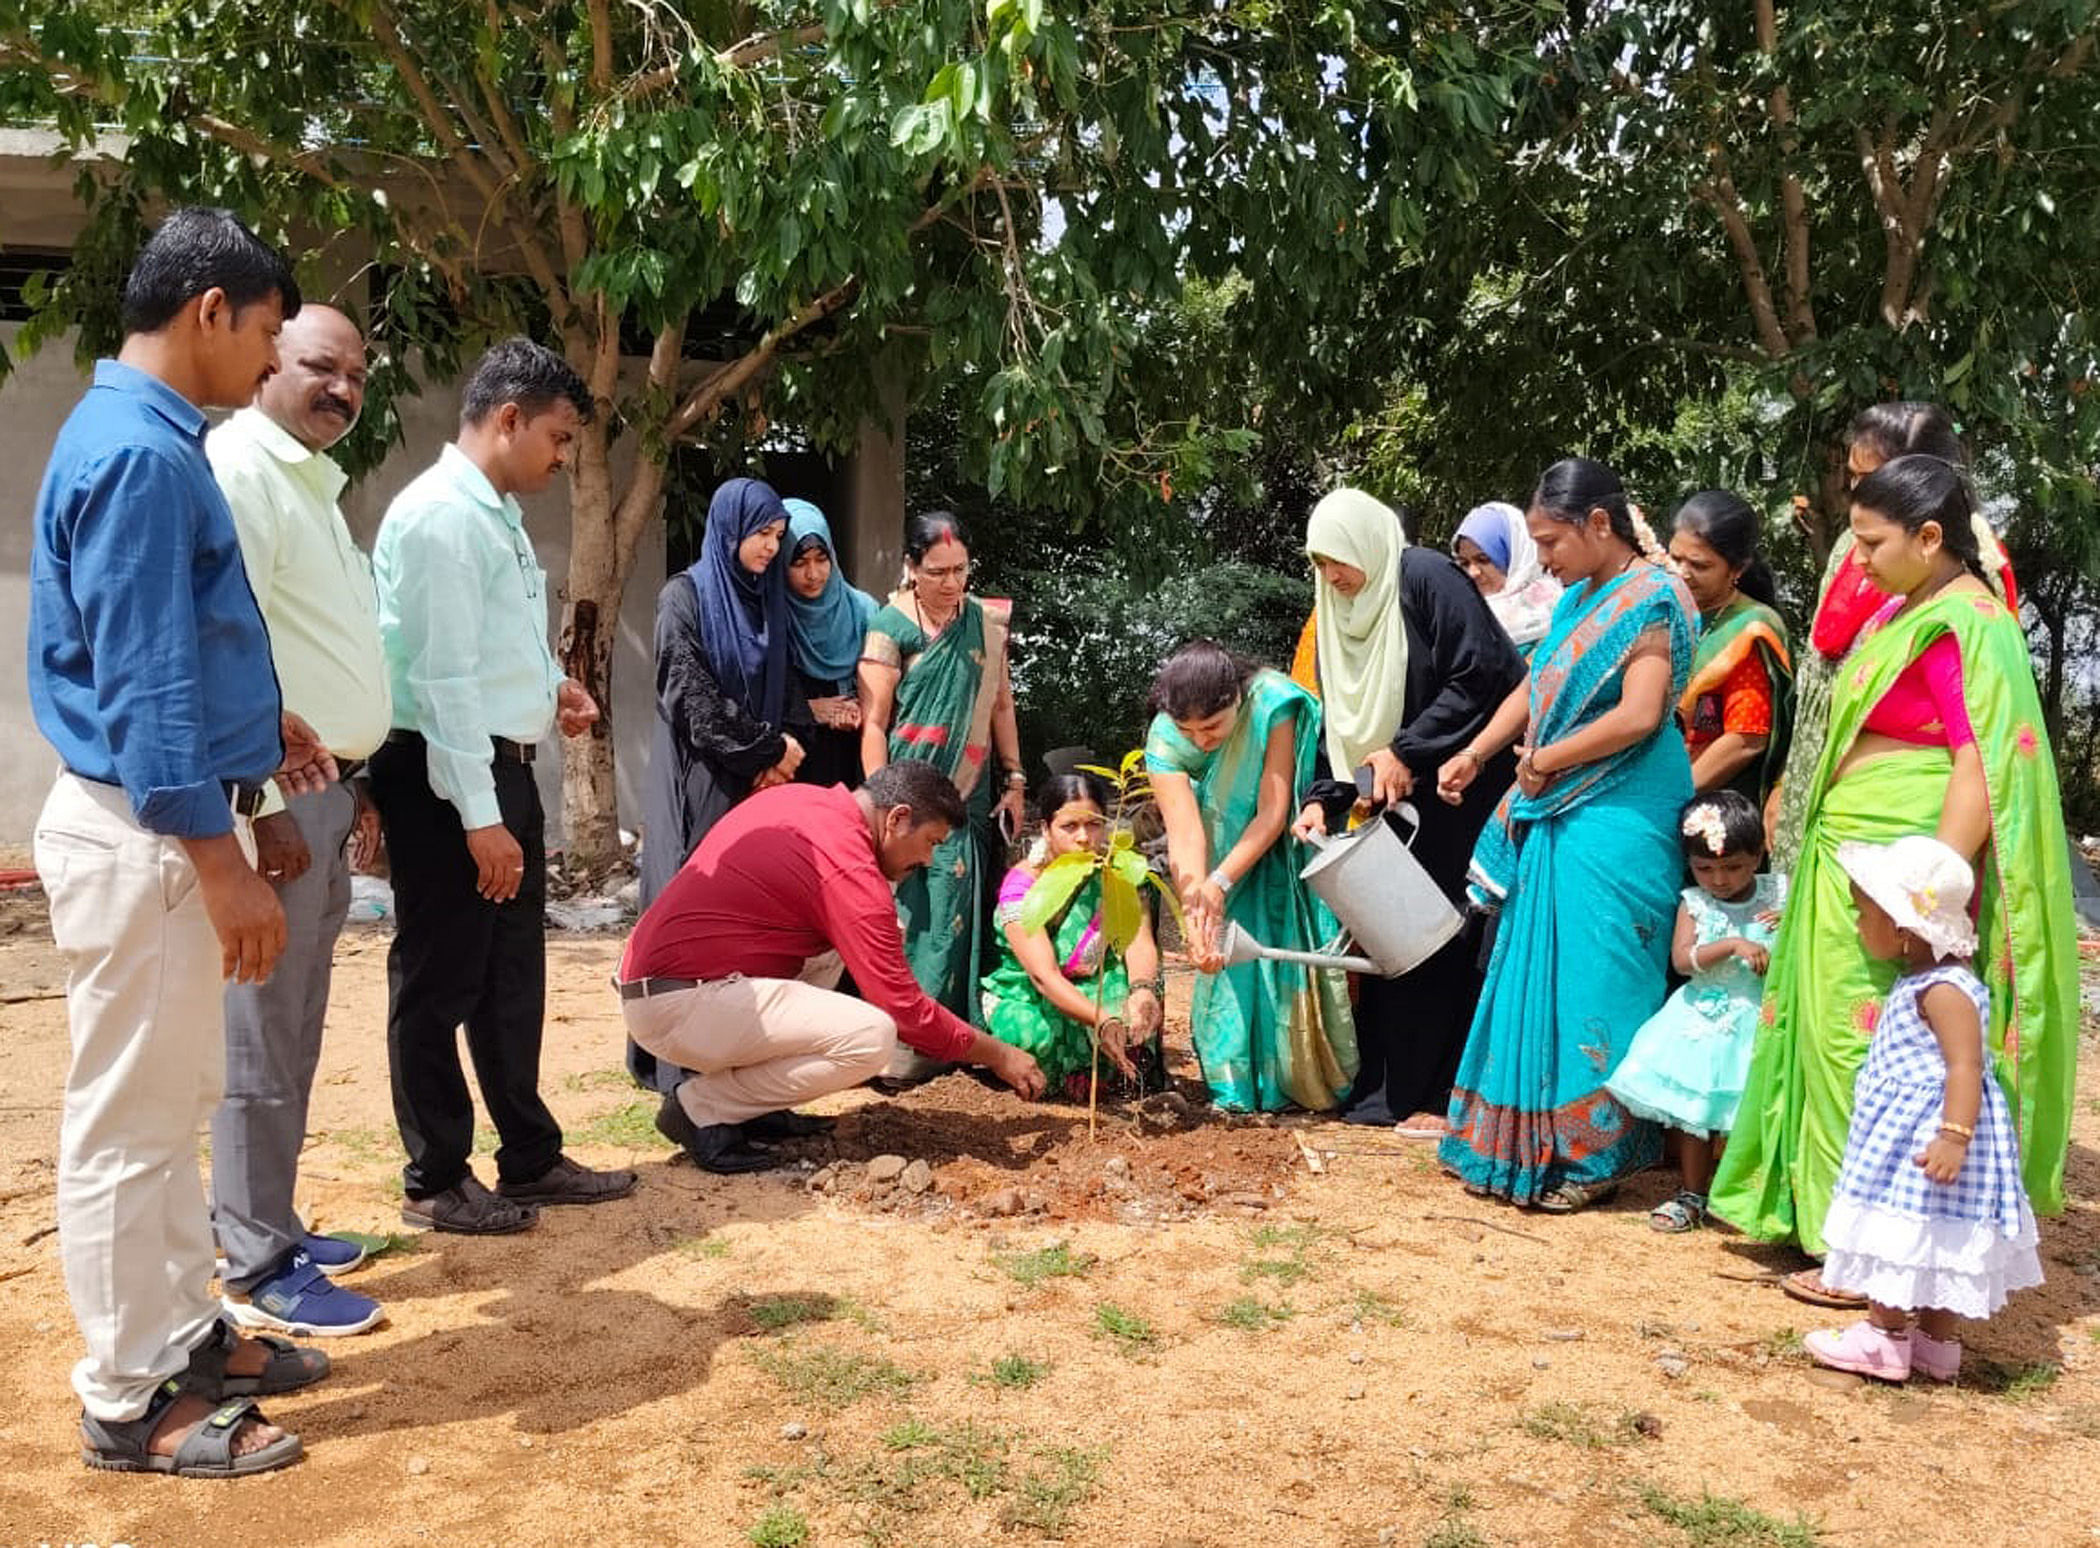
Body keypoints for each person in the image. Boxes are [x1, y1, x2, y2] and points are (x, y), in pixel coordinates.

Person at [29, 208, 338, 1477]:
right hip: (147, 835)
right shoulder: (147, 459)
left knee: (171, 1107)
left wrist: (257, 722)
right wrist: (223, 860)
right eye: (267, 335)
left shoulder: (138, 438)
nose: (270, 364)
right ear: (210, 310)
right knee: (130, 1127)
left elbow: (160, 651)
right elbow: (146, 688)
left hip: (154, 824)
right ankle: (123, 1397)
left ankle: (177, 1334)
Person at [1710, 455, 2078, 1304]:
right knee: (1833, 1038)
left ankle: (1873, 1261)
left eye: (1872, 543)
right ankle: (1825, 1224)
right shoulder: (1907, 609)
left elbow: (1978, 761)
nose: (1860, 561)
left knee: (1871, 1047)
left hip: (1896, 867)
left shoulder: (1967, 624)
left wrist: (1930, 889)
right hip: (1855, 852)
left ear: (1929, 536)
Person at [370, 337, 636, 1234]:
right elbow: (441, 683)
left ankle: (526, 1155)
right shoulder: (444, 517)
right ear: (509, 418)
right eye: (558, 440)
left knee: (509, 979)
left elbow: (483, 656)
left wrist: (545, 690)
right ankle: (436, 1177)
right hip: (450, 780)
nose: (563, 460)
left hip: (497, 770)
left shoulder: (494, 515)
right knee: (441, 980)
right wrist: (480, 818)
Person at [1433, 458, 1699, 1211]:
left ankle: (1596, 1155)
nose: (1542, 556)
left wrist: (1544, 759)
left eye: (1551, 540)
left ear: (1600, 525)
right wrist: (1479, 751)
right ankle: (1530, 1141)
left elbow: (1641, 714)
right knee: (1542, 971)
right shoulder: (1581, 598)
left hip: (1623, 810)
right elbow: (1535, 685)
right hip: (1559, 801)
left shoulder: (1652, 597)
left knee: (1600, 973)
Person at [209, 303, 389, 1337]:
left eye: (357, 375)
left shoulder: (305, 482)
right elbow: (228, 645)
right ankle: (255, 1257)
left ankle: (262, 1214)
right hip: (270, 805)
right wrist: (270, 803)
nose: (344, 389)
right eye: (323, 367)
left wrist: (348, 784)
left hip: (323, 794)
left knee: (297, 1022)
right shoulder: (242, 471)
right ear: (269, 362)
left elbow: (316, 651)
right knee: (260, 1033)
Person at [618, 762, 1048, 1173]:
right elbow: (905, 1012)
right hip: (677, 1003)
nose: (930, 861)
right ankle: (701, 1110)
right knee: (872, 1037)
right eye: (932, 842)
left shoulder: (805, 802)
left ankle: (753, 1108)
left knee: (841, 946)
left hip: (665, 983)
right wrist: (998, 1054)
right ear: (897, 819)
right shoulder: (848, 866)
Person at [1289, 489, 1526, 1134]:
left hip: (1458, 789)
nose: (1332, 576)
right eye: (1320, 563)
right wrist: (1322, 797)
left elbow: (1481, 674)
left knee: (1444, 935)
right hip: (1392, 800)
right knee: (1393, 939)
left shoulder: (1421, 575)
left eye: (1340, 560)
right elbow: (1340, 723)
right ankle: (1390, 1090)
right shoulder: (1335, 617)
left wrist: (1406, 749)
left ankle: (1443, 1093)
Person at [1803, 837, 2041, 1383]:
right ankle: (1936, 1346)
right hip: (1917, 1133)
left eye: (1865, 914)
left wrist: (1954, 1134)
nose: (1860, 926)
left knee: (1903, 1232)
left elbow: (1966, 1066)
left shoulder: (1942, 988)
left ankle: (1885, 1337)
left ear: (1903, 926)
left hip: (1925, 1137)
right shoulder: (1922, 979)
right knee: (1936, 1236)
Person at [1767, 403, 2014, 869]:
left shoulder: (1969, 584)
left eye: (1873, 477)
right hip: (1821, 791)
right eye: (1855, 479)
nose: (1861, 492)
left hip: (1902, 825)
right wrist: (1789, 782)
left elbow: (1977, 739)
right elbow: (1825, 683)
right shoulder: (1853, 548)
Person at [1146, 642, 1358, 1112]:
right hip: (1215, 852)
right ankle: (1234, 1091)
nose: (1201, 741)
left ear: (1237, 700)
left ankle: (1293, 1082)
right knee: (1222, 968)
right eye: (1189, 731)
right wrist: (1195, 900)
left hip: (1277, 849)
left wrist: (1219, 882)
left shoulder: (1270, 702)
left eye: (1214, 728)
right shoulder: (1163, 739)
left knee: (1278, 953)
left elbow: (1273, 809)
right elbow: (1184, 833)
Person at [859, 512, 1025, 1044]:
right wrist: (883, 800)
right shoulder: (891, 627)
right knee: (912, 908)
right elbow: (875, 723)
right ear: (911, 568)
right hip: (907, 792)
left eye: (960, 569)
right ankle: (905, 1037)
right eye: (936, 571)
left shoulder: (987, 625)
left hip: (969, 790)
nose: (951, 582)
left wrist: (1015, 778)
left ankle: (956, 1033)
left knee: (961, 906)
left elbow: (1000, 705)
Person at [1604, 791, 1780, 1233]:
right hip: (1705, 1020)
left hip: (1761, 1018)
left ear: (1759, 854)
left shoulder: (1781, 893)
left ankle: (1745, 1194)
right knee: (1697, 1112)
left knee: (1753, 1109)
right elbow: (1682, 961)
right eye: (1706, 869)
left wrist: (1790, 925)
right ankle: (1692, 1192)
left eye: (1734, 866)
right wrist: (1733, 944)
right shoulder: (1696, 903)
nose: (1719, 879)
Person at [638, 477, 801, 909]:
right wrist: (768, 750)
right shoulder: (683, 597)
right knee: (691, 891)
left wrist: (775, 759)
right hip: (700, 774)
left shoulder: (767, 601)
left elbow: (784, 688)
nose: (770, 546)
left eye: (778, 536)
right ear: (732, 528)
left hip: (760, 781)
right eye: (761, 533)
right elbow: (693, 701)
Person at [981, 774, 1167, 1101]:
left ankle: (1125, 1081)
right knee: (1033, 1034)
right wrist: (1101, 1017)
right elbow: (1043, 976)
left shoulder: (1120, 870)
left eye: (1094, 824)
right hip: (1032, 994)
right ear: (1045, 829)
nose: (1083, 837)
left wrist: (1141, 989)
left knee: (1144, 999)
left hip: (1098, 981)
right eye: (1069, 827)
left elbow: (1138, 940)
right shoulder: (1022, 886)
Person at [1669, 491, 1794, 804]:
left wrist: (1672, 797)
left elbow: (1746, 739)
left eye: (1699, 565)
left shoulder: (1750, 630)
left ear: (1736, 569)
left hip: (1706, 799)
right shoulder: (1670, 608)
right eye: (1675, 559)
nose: (1682, 572)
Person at [782, 497, 876, 789]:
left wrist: (860, 709)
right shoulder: (770, 620)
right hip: (791, 759)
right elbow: (756, 698)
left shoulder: (864, 610)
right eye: (799, 563)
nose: (813, 574)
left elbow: (885, 689)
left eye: (821, 560)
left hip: (852, 756)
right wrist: (809, 710)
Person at [1451, 500, 1563, 659]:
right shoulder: (1458, 613)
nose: (1472, 573)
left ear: (1513, 556)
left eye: (1483, 560)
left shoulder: (1556, 607)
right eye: (1464, 563)